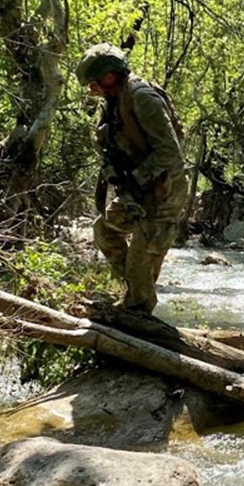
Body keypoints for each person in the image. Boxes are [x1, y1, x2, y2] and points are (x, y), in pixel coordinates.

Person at [75, 43, 186, 314]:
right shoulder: (114, 102)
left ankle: (139, 317)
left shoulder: (142, 97)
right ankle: (137, 288)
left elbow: (171, 152)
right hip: (137, 192)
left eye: (94, 83)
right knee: (104, 230)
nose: (92, 90)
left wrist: (138, 177)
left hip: (163, 196)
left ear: (109, 76)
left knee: (140, 279)